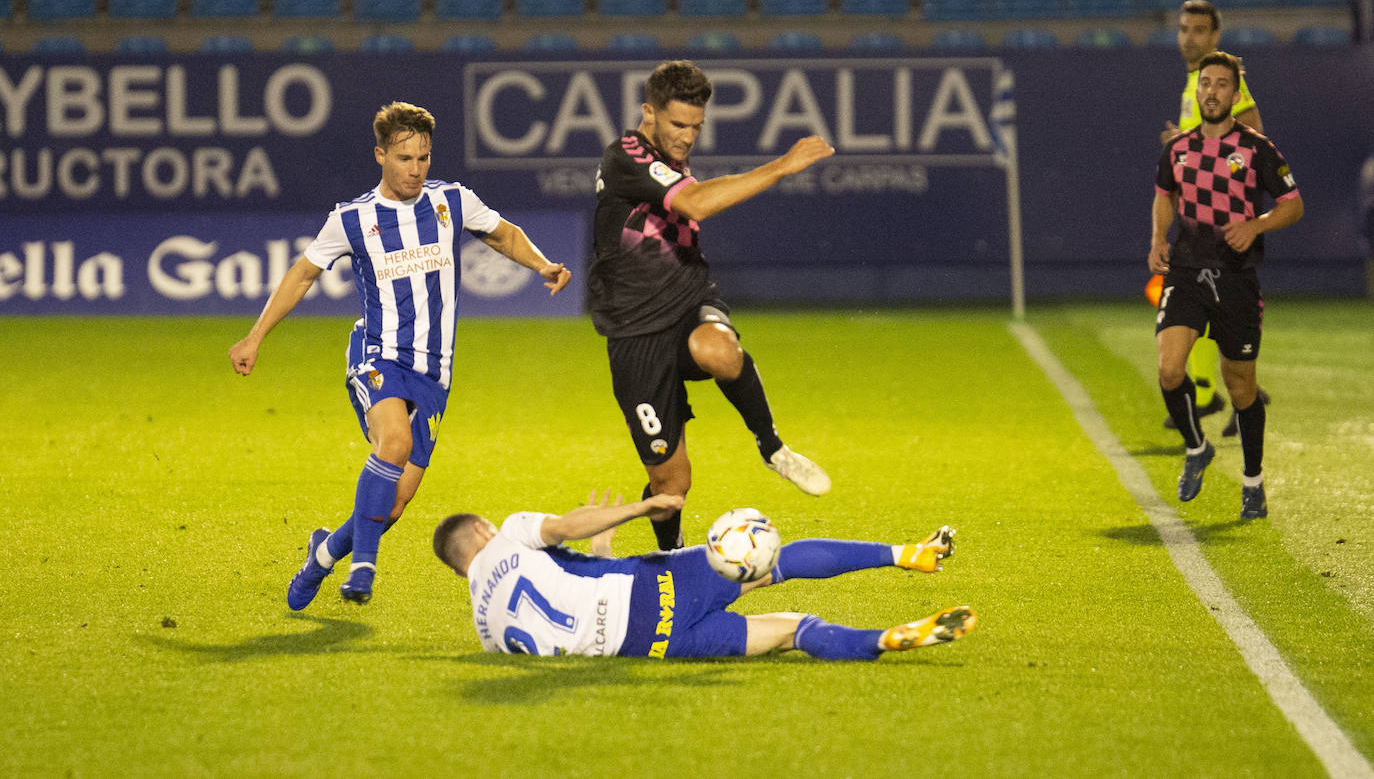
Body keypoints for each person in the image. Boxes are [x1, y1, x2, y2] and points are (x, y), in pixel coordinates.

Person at [230, 101, 572, 607]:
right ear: (381, 156)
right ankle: (362, 571)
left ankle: (322, 555)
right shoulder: (351, 219)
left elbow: (503, 235)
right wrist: (255, 335)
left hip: (433, 373)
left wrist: (542, 265)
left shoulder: (452, 201)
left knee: (392, 505)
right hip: (377, 355)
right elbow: (303, 274)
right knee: (391, 444)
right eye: (405, 158)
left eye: (423, 158)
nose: (415, 169)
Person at [588, 59, 835, 552]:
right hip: (635, 331)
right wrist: (782, 166)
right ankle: (671, 556)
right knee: (671, 485)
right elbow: (695, 204)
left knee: (721, 352)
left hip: (688, 299)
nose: (687, 137)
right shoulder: (627, 155)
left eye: (696, 127)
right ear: (649, 112)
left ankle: (773, 448)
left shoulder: (667, 157)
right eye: (678, 124)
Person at [433, 491, 976, 660]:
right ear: (480, 531)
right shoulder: (506, 534)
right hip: (652, 589)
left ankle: (880, 641)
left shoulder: (487, 629)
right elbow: (564, 527)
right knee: (771, 561)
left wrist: (601, 554)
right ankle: (910, 554)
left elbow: (564, 603)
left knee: (794, 629)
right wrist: (635, 512)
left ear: (462, 571)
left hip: (650, 644)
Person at [1150, 51, 1304, 519]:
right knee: (1170, 369)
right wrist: (1158, 238)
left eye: (1221, 85)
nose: (1212, 91)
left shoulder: (1258, 148)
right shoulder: (1177, 149)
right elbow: (1163, 196)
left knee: (1241, 388)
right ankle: (1197, 447)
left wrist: (1255, 226)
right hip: (1187, 272)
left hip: (1236, 278)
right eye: (1205, 84)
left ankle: (1253, 482)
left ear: (1235, 96)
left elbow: (1293, 204)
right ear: (1196, 93)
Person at [1155, 0, 1269, 439]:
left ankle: (1240, 395)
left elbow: (1254, 139)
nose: (1189, 37)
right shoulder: (1194, 85)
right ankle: (1211, 392)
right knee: (1202, 306)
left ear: (1215, 36)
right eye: (1184, 29)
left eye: (1199, 30)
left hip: (1226, 226)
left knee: (1227, 310)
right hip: (1198, 226)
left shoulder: (1225, 86)